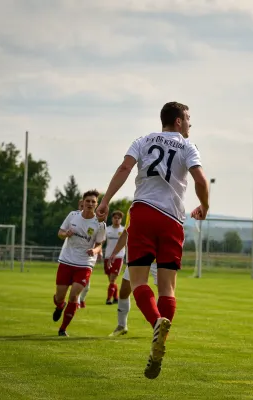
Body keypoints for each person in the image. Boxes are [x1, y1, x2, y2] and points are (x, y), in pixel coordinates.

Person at [96, 101, 209, 379]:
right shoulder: (187, 147)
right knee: (168, 289)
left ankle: (155, 323)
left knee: (138, 283)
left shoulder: (143, 140)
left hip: (144, 214)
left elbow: (124, 168)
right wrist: (204, 206)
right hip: (172, 220)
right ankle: (161, 335)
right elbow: (201, 181)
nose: (190, 124)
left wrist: (106, 200)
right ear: (179, 122)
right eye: (188, 119)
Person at [52, 190, 106, 336]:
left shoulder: (100, 224)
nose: (90, 204)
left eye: (93, 202)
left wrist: (95, 251)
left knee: (74, 296)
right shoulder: (72, 216)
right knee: (59, 297)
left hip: (84, 264)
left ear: (96, 204)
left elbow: (99, 244)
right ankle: (59, 306)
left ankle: (63, 329)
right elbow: (60, 233)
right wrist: (66, 234)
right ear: (83, 202)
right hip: (66, 260)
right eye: (88, 201)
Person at [108, 208, 159, 337]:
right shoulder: (134, 209)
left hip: (158, 259)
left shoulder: (162, 205)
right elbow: (126, 232)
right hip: (137, 258)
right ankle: (121, 325)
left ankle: (159, 329)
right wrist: (114, 252)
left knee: (164, 293)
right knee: (124, 291)